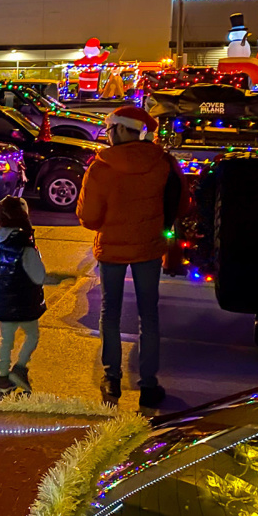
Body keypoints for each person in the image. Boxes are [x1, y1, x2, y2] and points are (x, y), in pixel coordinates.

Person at [76, 105, 189, 408]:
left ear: (124, 129)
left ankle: (112, 377)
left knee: (109, 314)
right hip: (149, 248)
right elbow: (180, 204)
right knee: (148, 316)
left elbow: (87, 217)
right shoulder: (163, 162)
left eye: (111, 129)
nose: (108, 135)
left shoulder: (100, 166)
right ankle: (149, 384)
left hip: (112, 248)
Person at [0, 195, 46, 400]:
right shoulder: (24, 245)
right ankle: (19, 368)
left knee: (6, 340)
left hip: (0, 303)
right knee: (32, 335)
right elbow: (38, 275)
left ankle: (3, 380)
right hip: (24, 302)